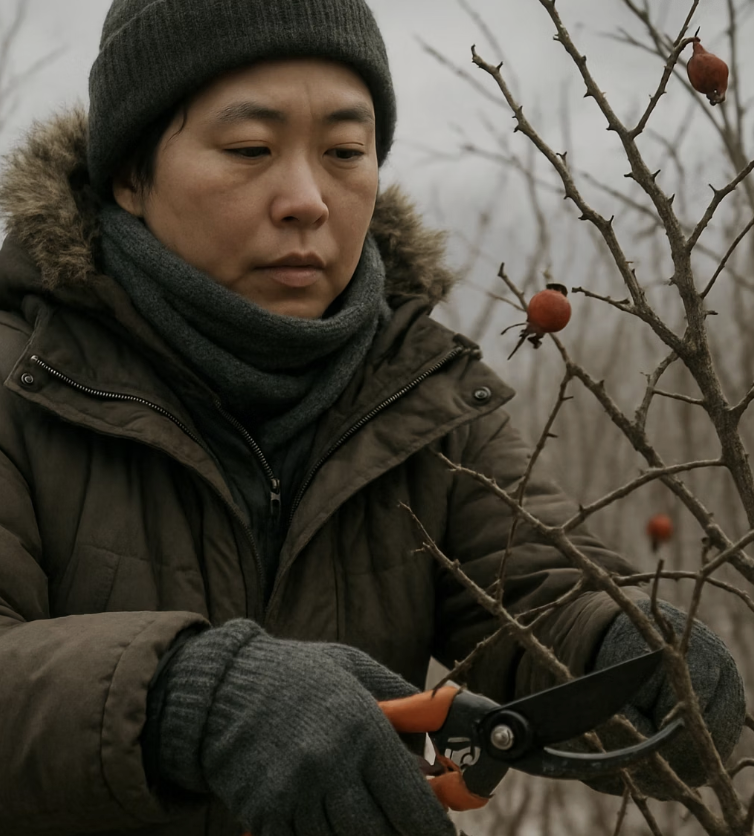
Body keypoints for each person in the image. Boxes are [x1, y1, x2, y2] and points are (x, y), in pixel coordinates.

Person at [0, 1, 745, 834]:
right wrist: (185, 696)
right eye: (250, 149)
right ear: (129, 179)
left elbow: (533, 597)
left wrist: (629, 653)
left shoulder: (425, 391)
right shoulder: (21, 378)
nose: (307, 200)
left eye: (346, 152)